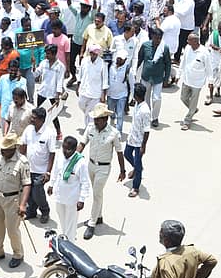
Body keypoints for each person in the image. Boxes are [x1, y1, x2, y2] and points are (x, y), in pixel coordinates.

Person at [0, 132, 31, 268]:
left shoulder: (22, 162)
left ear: (13, 148)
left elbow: (27, 184)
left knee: (12, 229)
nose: (2, 150)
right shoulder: (1, 157)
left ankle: (18, 254)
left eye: (5, 148)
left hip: (13, 200)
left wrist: (22, 205)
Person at [79, 103, 125, 239]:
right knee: (96, 193)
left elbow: (119, 152)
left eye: (98, 119)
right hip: (91, 165)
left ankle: (92, 224)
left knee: (97, 193)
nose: (95, 121)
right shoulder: (90, 128)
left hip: (104, 168)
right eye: (94, 119)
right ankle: (98, 216)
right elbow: (82, 143)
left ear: (105, 119)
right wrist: (73, 159)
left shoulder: (114, 133)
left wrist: (122, 170)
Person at [149, 220, 217, 278]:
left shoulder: (166, 263)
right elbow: (212, 260)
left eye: (161, 232)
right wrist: (197, 277)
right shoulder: (191, 251)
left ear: (166, 240)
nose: (159, 233)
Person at [47, 135, 91, 241]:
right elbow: (56, 171)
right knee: (63, 221)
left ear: (74, 149)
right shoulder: (60, 156)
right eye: (64, 148)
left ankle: (69, 246)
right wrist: (51, 184)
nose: (65, 151)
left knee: (70, 224)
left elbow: (85, 183)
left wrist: (82, 200)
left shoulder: (80, 162)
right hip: (60, 195)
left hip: (72, 199)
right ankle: (65, 238)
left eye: (68, 149)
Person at [18, 106, 56, 222]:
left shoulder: (49, 133)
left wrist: (48, 172)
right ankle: (32, 211)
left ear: (42, 120)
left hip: (41, 170)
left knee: (37, 191)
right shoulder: (29, 129)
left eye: (34, 118)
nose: (31, 120)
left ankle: (45, 210)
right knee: (28, 191)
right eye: (31, 117)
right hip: (28, 168)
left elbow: (51, 153)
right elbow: (23, 146)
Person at [177, 33, 211, 130]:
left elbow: (209, 67)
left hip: (197, 82)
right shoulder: (188, 48)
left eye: (189, 40)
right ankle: (193, 109)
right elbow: (183, 61)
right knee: (183, 97)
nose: (187, 41)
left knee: (193, 100)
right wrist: (179, 75)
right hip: (187, 79)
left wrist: (210, 81)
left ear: (195, 41)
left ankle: (187, 121)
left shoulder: (204, 52)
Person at [125, 84, 151, 198]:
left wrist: (143, 145)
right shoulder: (137, 104)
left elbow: (147, 130)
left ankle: (135, 187)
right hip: (132, 137)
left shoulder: (145, 111)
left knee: (138, 164)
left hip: (139, 141)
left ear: (136, 95)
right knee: (126, 154)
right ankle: (136, 168)